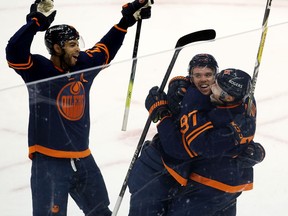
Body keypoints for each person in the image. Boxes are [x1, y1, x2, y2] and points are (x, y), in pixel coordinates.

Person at [5, 0, 152, 215]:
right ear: (57, 48)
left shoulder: (81, 64)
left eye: (77, 44)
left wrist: (126, 21)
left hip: (82, 157)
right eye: (72, 44)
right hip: (49, 161)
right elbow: (14, 52)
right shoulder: (38, 70)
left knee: (100, 211)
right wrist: (35, 22)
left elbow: (105, 50)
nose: (78, 49)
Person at [127, 54, 265, 215]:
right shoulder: (242, 99)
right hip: (159, 169)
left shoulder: (201, 105)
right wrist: (177, 83)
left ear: (227, 95)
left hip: (200, 181)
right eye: (197, 75)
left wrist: (161, 113)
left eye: (209, 76)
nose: (205, 81)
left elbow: (184, 149)